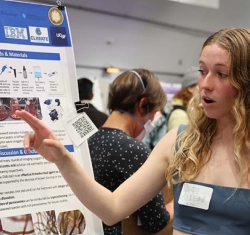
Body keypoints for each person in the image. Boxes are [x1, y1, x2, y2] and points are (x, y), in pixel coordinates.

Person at [17, 27, 250, 235]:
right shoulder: (181, 142)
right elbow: (112, 208)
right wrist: (62, 159)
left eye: (221, 74)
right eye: (202, 70)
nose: (205, 84)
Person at [87, 69, 172, 235]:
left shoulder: (90, 141)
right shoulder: (133, 150)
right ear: (142, 105)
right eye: (153, 114)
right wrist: (179, 201)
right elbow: (156, 223)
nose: (151, 122)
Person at [167, 67, 199, 131]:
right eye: (200, 85)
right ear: (190, 88)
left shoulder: (190, 111)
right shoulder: (179, 114)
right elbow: (179, 140)